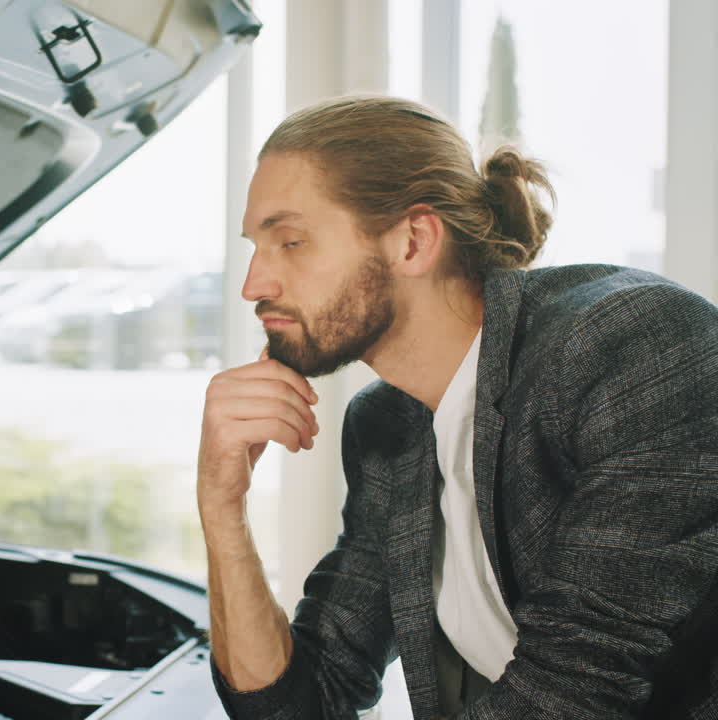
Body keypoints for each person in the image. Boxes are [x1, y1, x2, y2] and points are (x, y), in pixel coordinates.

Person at [198, 95, 718, 719]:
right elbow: (302, 703)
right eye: (256, 246)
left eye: (291, 241)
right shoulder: (388, 426)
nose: (254, 285)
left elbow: (576, 693)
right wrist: (221, 505)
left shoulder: (628, 343)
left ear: (414, 241)